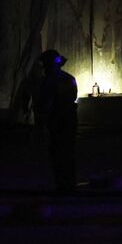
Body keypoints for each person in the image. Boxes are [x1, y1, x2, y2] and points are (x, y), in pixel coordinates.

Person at [35, 49, 79, 193]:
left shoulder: (47, 81)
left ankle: (62, 184)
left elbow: (44, 104)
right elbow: (74, 96)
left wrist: (42, 124)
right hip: (70, 118)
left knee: (57, 152)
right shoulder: (69, 78)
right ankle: (70, 182)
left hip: (57, 119)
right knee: (69, 151)